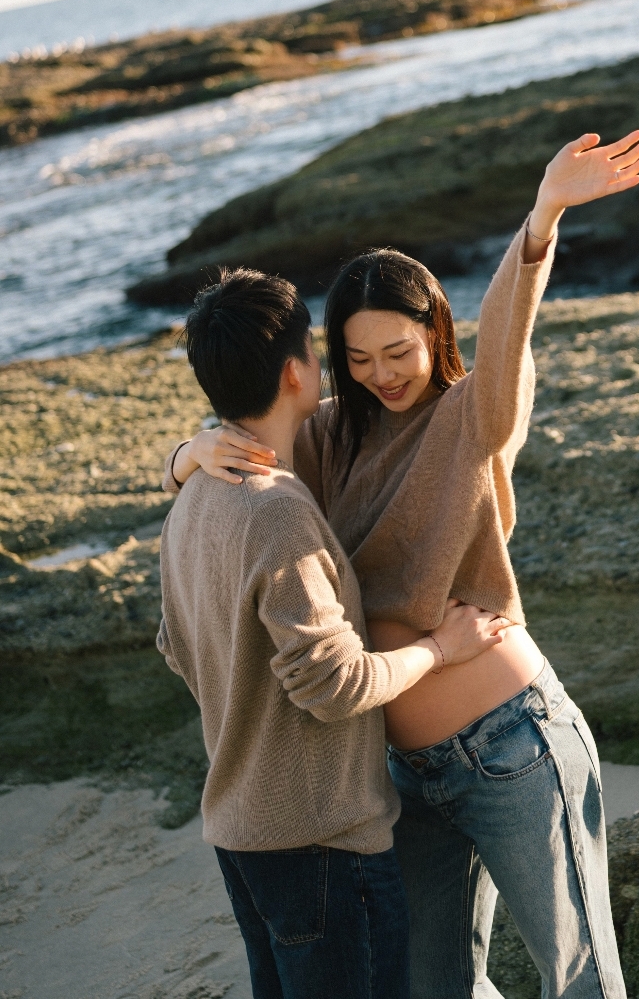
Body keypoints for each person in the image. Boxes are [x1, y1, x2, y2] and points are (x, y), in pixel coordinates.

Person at [167, 128, 639, 999]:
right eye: (358, 359)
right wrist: (187, 453)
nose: (383, 374)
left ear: (436, 330)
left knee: (579, 980)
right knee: (435, 988)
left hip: (512, 743)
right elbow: (243, 450)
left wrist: (540, 221)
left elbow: (508, 339)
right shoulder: (328, 439)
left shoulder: (475, 418)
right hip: (397, 775)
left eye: (400, 351)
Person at [158, 267, 508, 999]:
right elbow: (337, 684)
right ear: (295, 371)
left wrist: (186, 453)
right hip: (321, 845)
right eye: (324, 356)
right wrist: (441, 649)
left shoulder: (191, 498)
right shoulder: (275, 510)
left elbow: (177, 645)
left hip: (241, 835)